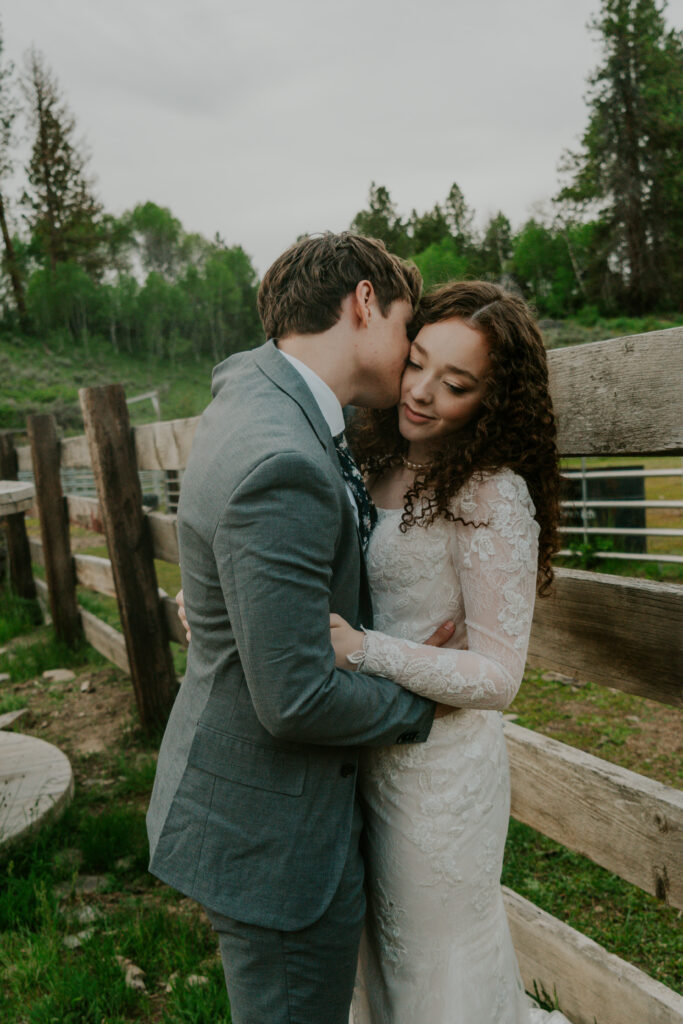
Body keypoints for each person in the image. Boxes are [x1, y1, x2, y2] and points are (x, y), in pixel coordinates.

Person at [146, 232, 447, 1024]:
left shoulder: (254, 391)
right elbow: (299, 700)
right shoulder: (281, 454)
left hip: (247, 802)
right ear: (362, 302)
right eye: (406, 325)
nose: (411, 351)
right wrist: (424, 701)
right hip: (275, 839)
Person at [327, 280, 569, 1023]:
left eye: (455, 383)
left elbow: (499, 676)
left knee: (439, 966)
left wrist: (368, 650)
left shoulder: (489, 493)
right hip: (363, 747)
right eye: (418, 363)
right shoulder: (373, 461)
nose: (422, 393)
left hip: (440, 776)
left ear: (493, 401)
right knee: (379, 956)